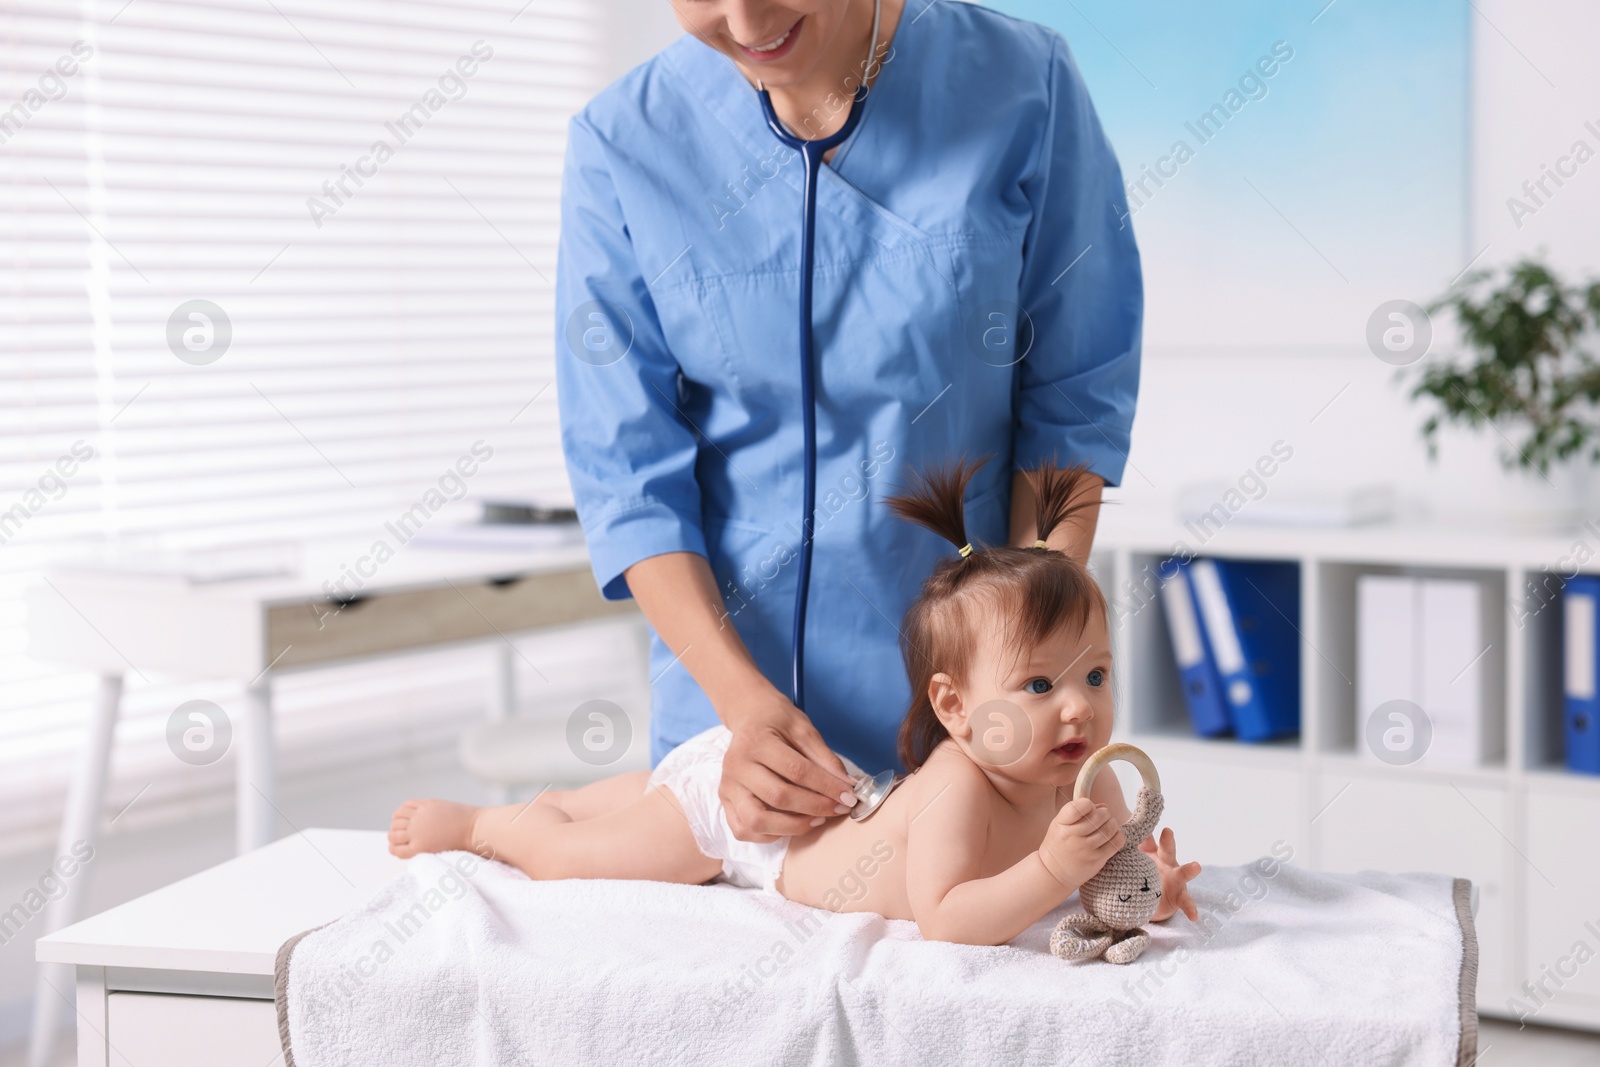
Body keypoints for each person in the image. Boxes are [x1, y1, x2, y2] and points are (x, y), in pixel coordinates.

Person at [554, 0, 1142, 844]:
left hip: (974, 737)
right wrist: (742, 707)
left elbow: (1071, 410)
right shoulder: (621, 144)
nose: (747, 17)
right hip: (735, 748)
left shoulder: (1026, 89)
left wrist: (1024, 681)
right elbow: (629, 479)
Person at [388, 461, 1198, 946]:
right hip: (747, 834)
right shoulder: (958, 783)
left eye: (1095, 676)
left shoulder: (1093, 780)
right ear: (954, 708)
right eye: (1037, 685)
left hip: (819, 790)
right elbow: (949, 918)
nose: (1078, 710)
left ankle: (571, 799)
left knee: (642, 796)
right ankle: (485, 824)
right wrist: (1054, 865)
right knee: (576, 856)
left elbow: (1099, 884)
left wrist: (1144, 883)